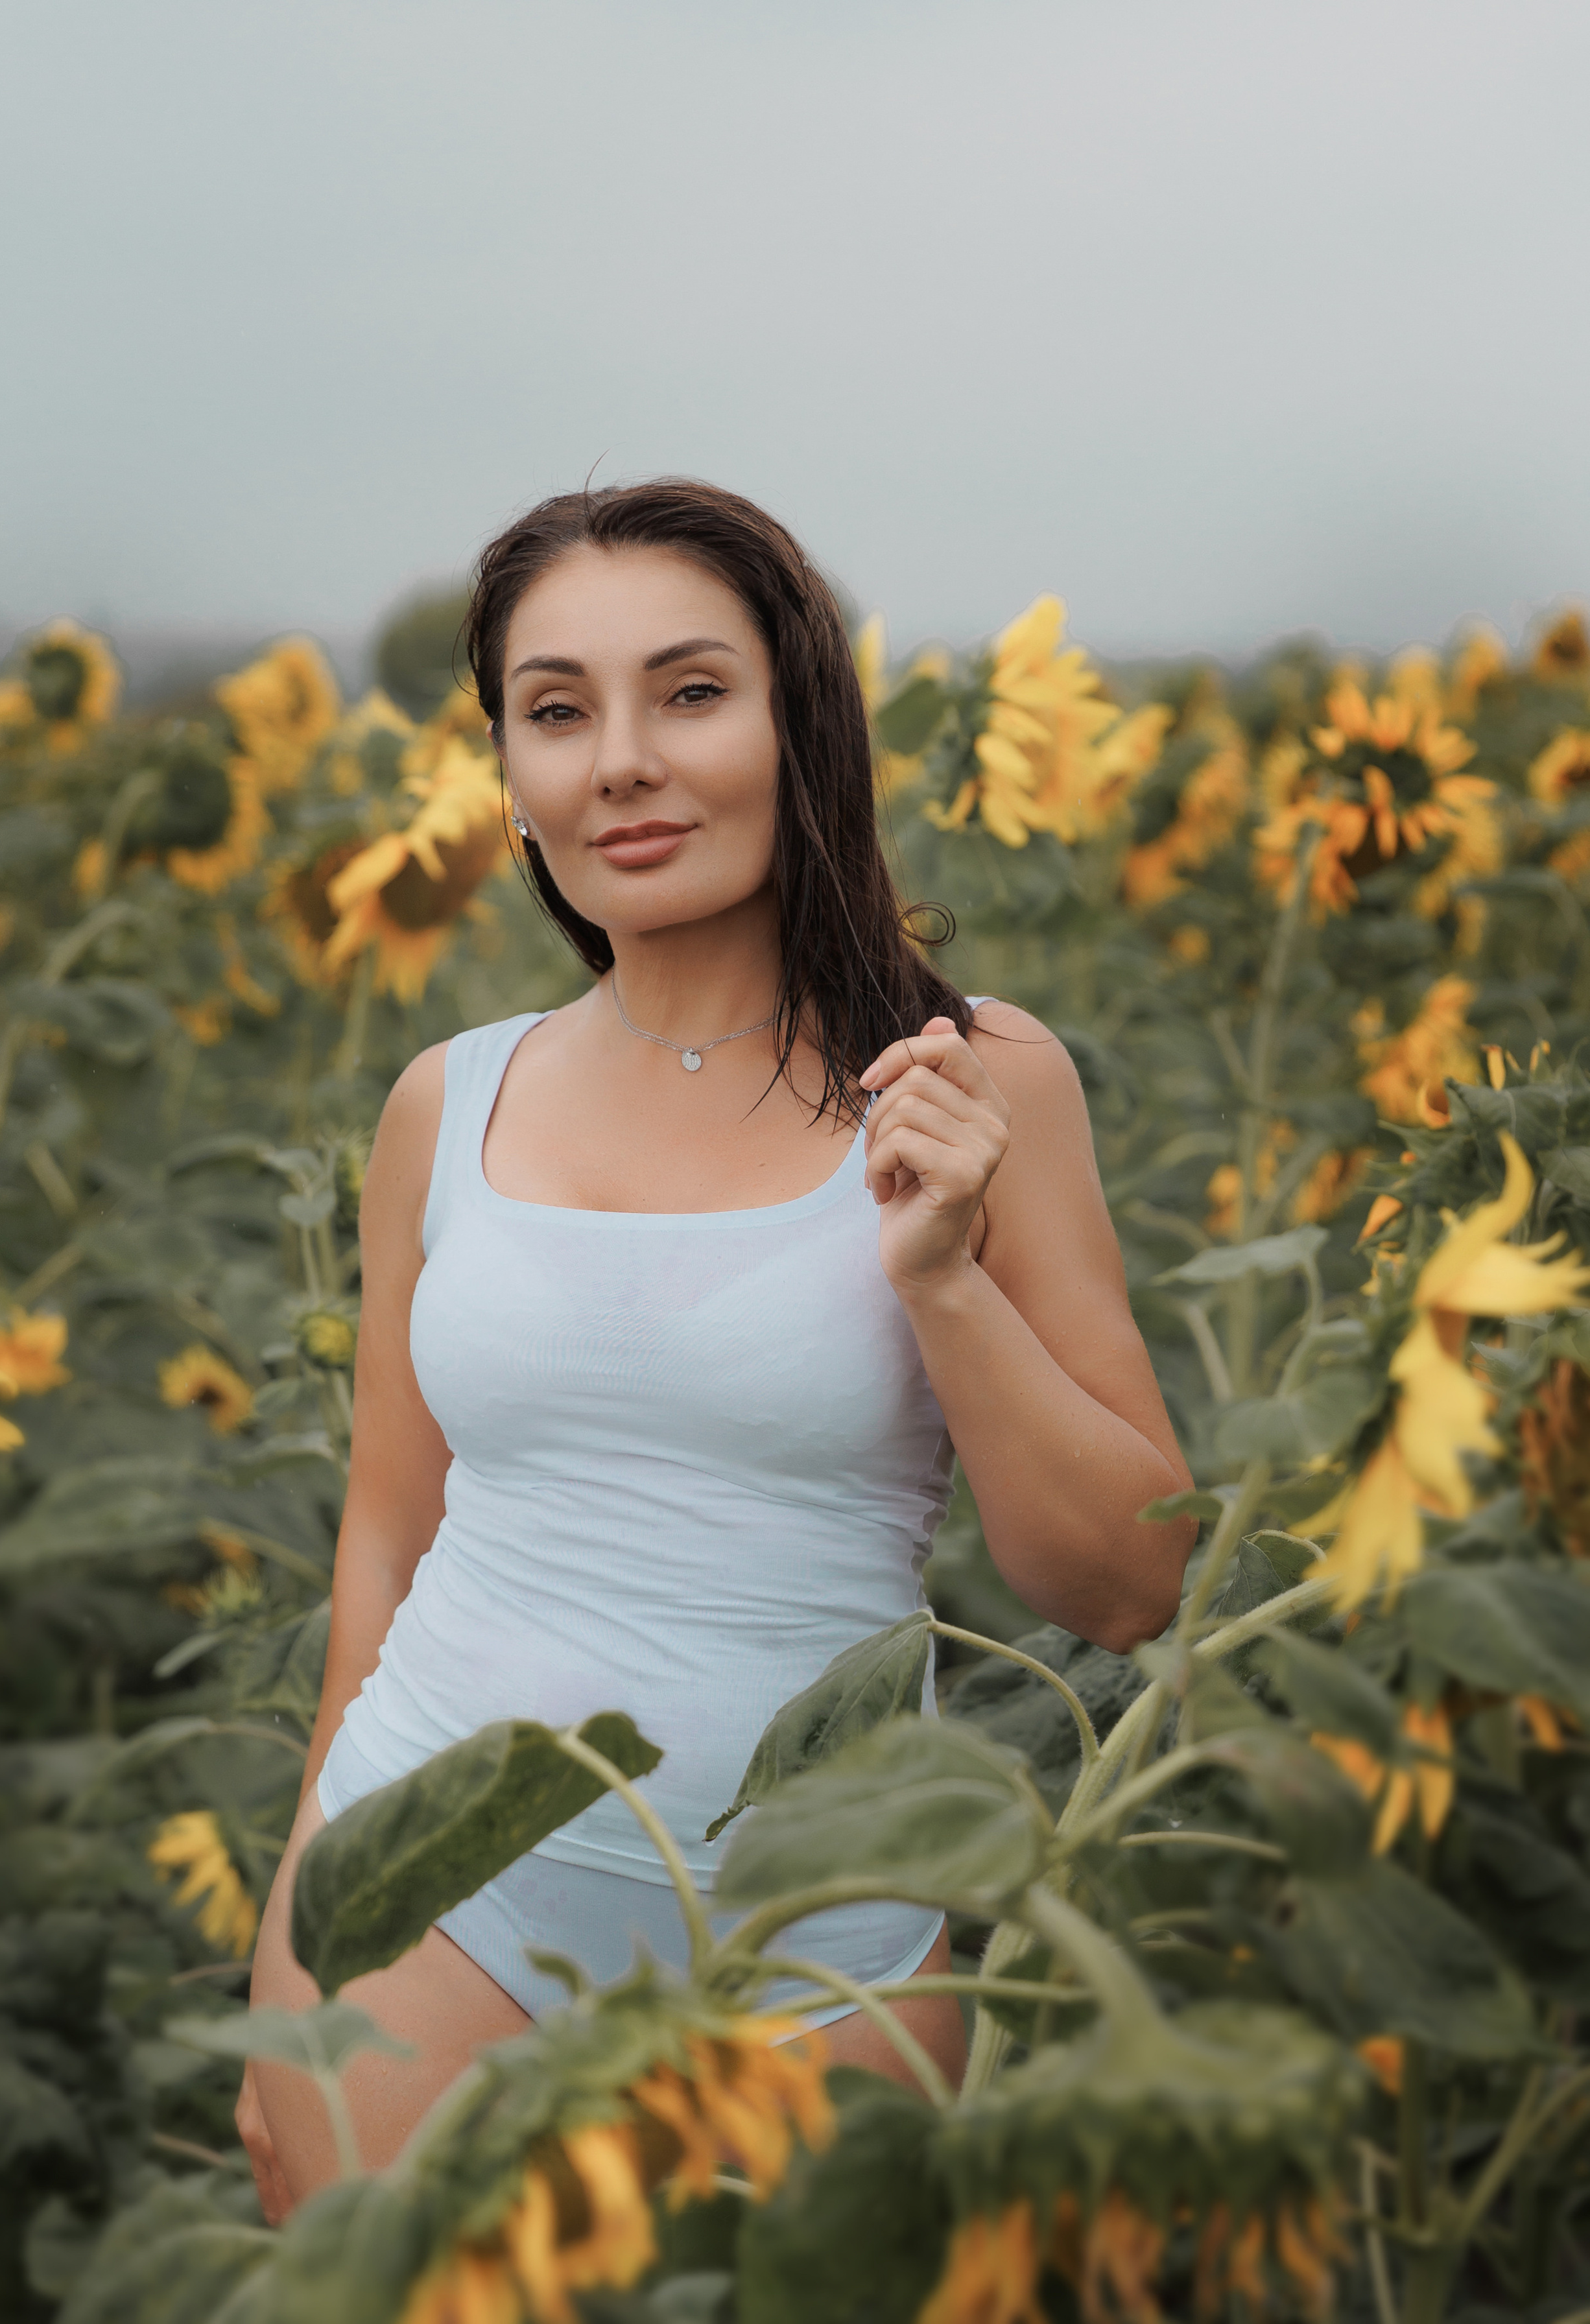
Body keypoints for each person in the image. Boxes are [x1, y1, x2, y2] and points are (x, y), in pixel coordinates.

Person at [237, 479, 1196, 2220]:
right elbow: (387, 1532)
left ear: (799, 726)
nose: (618, 759)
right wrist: (301, 1910)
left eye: (689, 692)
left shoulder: (980, 1083)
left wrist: (946, 1282)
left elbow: (1126, 1589)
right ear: (514, 785)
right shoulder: (445, 1103)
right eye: (555, 711)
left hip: (814, 1937)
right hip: (418, 1908)